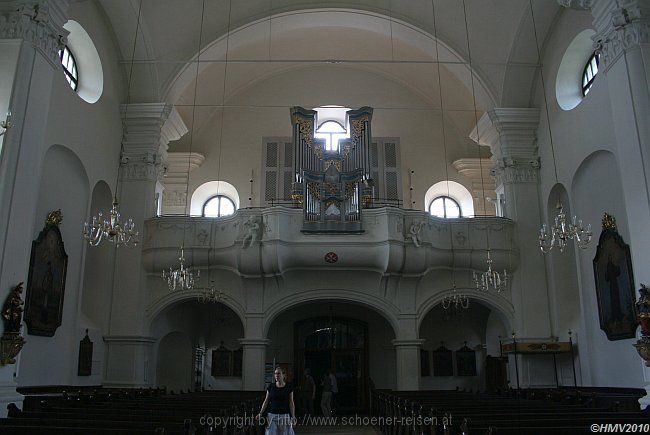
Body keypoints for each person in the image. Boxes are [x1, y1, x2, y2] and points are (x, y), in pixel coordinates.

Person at [257, 366, 296, 435]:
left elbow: (291, 402)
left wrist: (293, 416)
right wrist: (261, 413)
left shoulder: (289, 387)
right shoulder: (271, 386)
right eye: (275, 374)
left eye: (278, 373)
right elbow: (266, 401)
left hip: (284, 414)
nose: (276, 375)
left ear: (283, 375)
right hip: (272, 414)